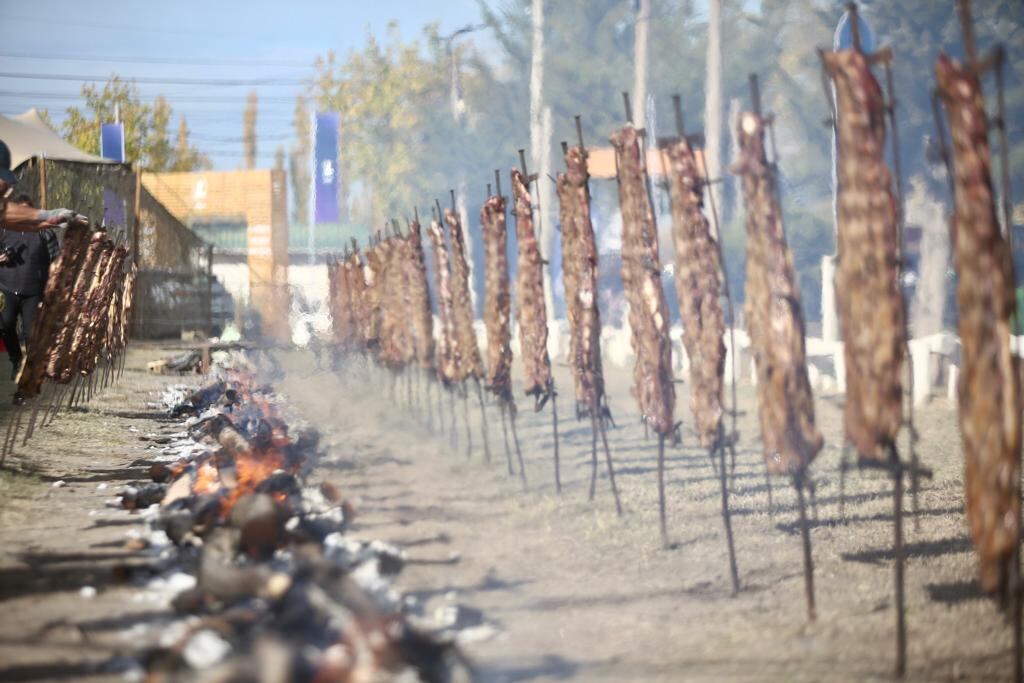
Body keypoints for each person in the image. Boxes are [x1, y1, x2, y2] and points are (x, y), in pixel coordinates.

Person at [0, 139, 88, 379]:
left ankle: (26, 368)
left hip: (30, 289)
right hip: (8, 286)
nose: (5, 185)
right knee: (6, 325)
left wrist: (54, 217)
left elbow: (21, 218)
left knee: (30, 332)